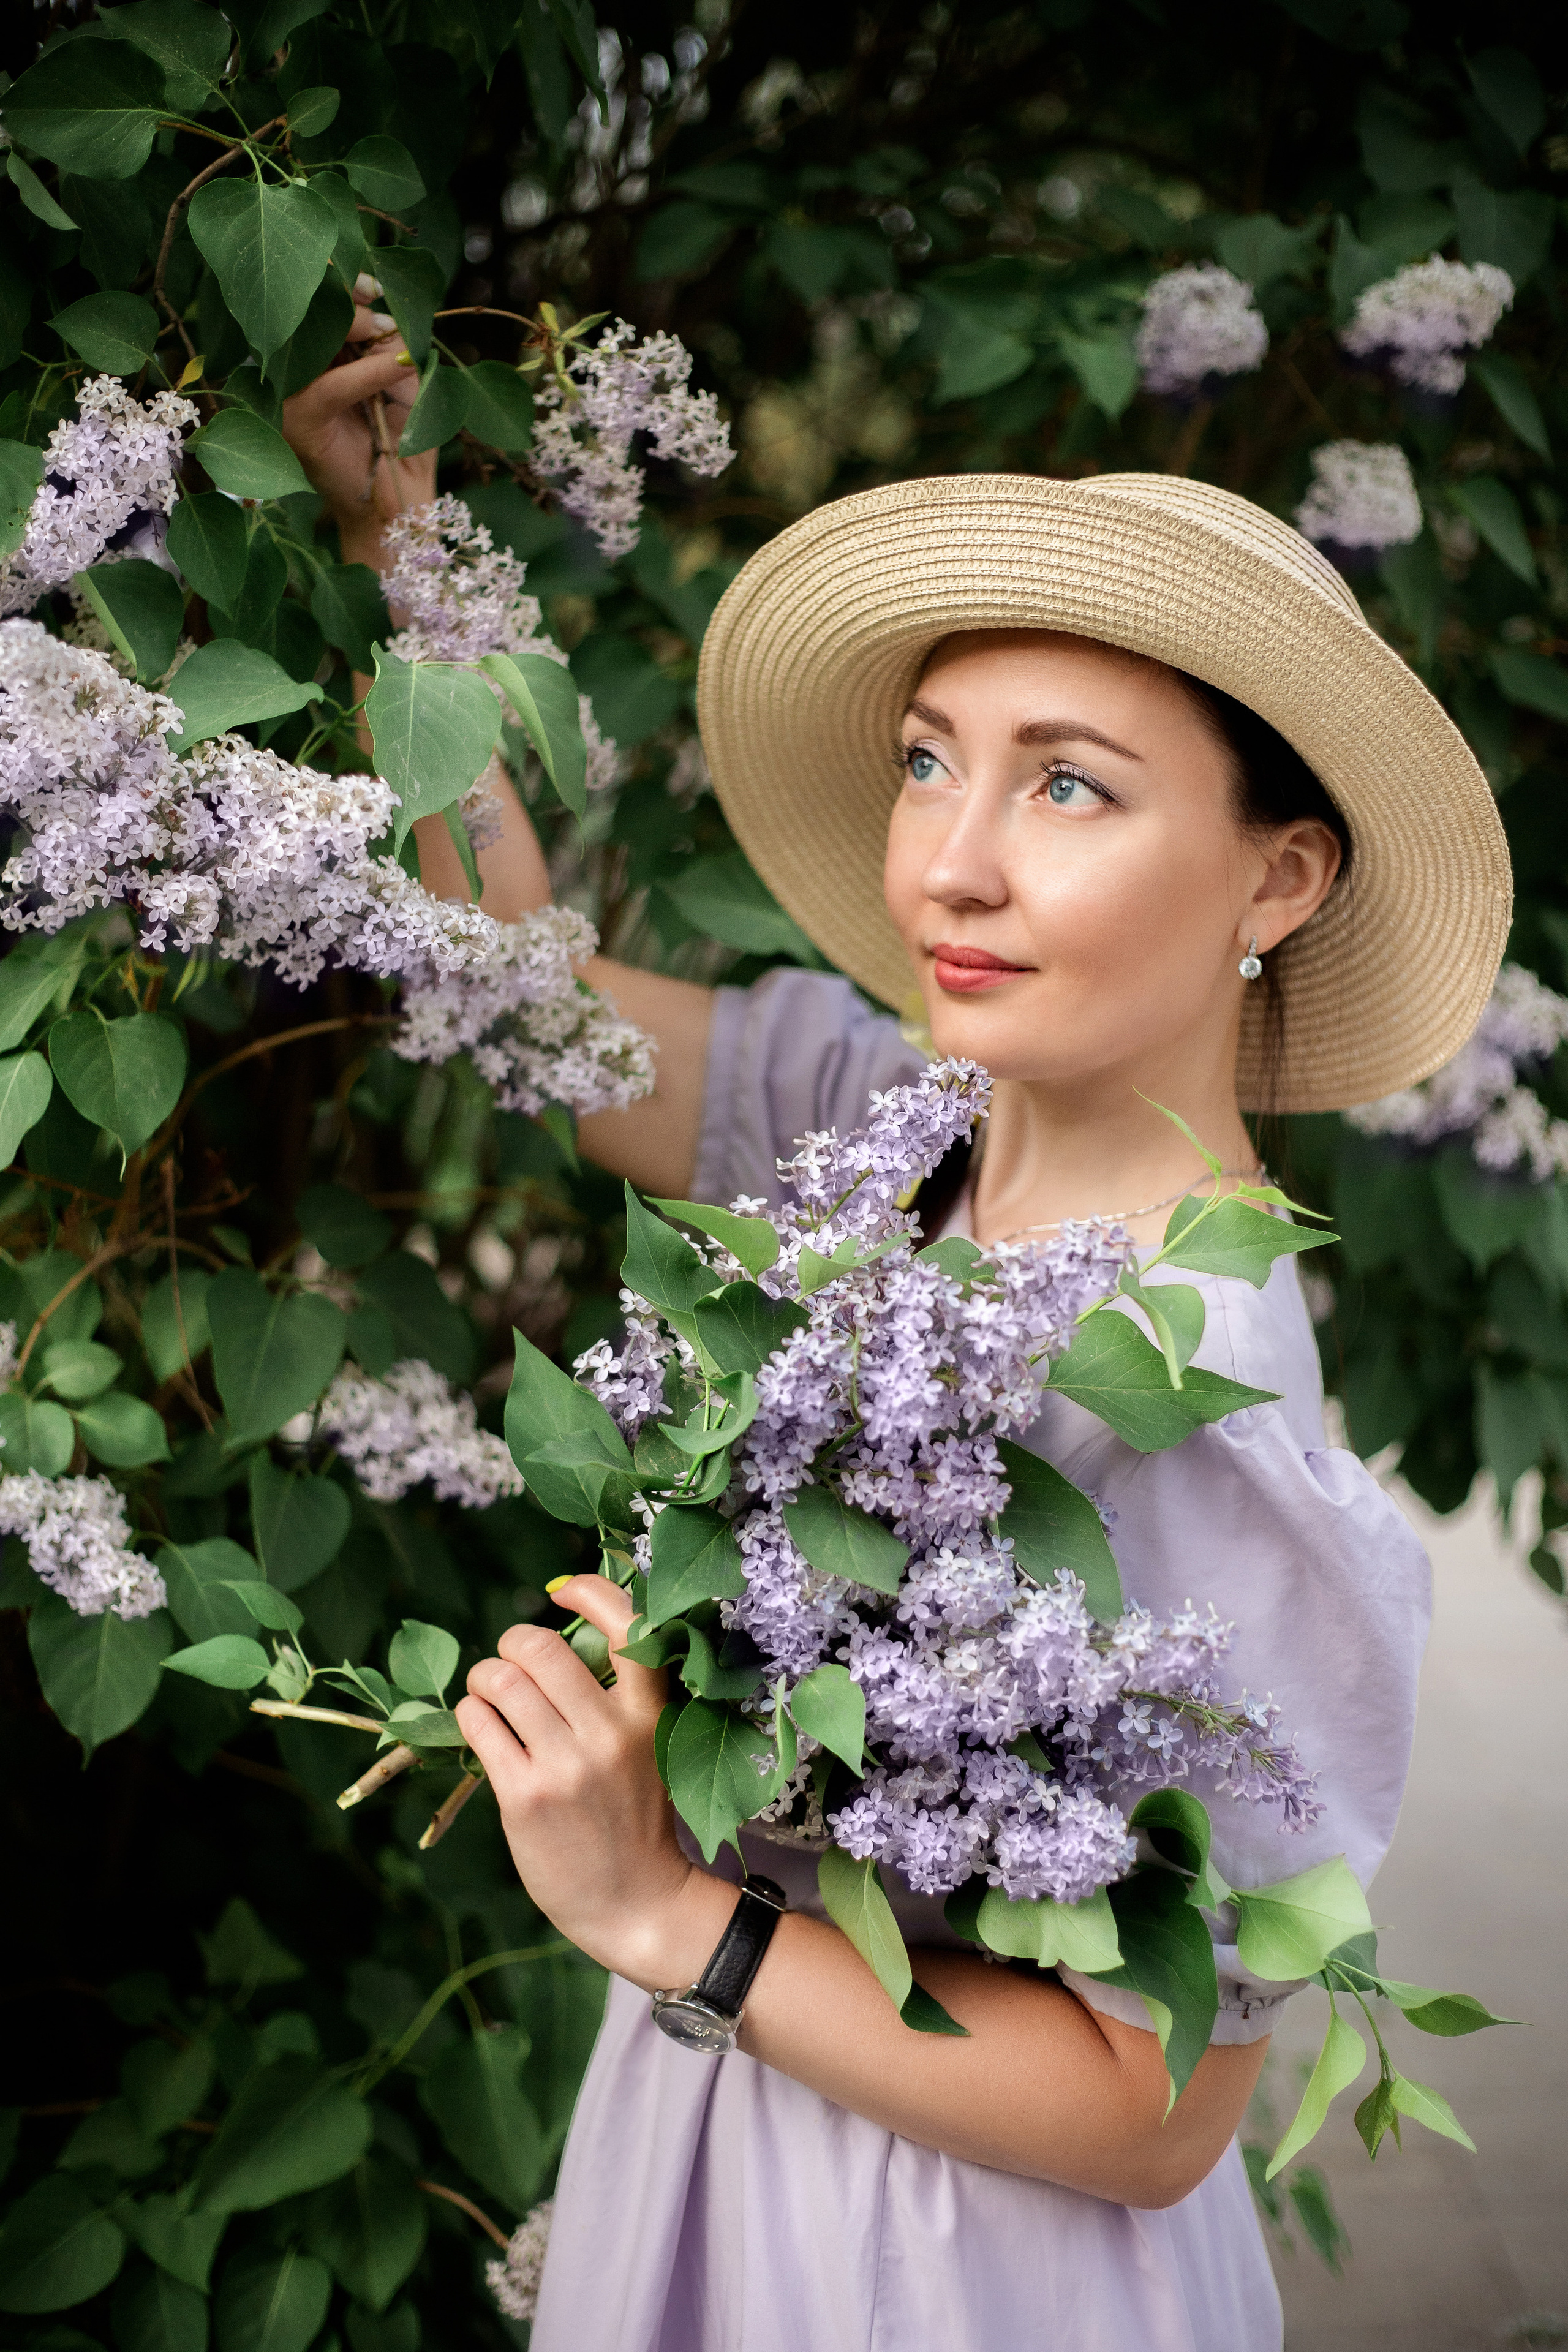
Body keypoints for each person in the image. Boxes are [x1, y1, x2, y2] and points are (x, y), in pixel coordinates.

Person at [282, 329, 1511, 2351]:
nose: (951, 857)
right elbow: (521, 1003)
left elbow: (1156, 2116)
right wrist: (396, 552)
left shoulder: (1198, 1409)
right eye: (933, 759)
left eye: (1071, 785)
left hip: (947, 2262)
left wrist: (662, 1909)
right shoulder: (885, 1125)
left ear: (1279, 877)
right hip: (708, 2141)